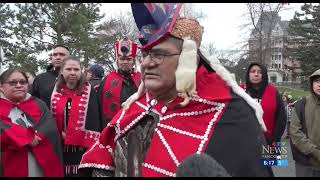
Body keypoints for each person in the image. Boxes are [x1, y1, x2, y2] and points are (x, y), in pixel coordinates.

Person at [78, 3, 273, 177]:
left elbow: (267, 156)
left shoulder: (235, 111)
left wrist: (288, 155)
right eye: (145, 55)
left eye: (159, 54)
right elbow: (104, 154)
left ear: (188, 59)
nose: (147, 63)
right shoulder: (137, 106)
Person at [0, 68, 63, 177]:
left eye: (23, 82)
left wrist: (37, 136)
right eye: (13, 82)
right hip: (8, 162)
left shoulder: (39, 104)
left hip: (38, 164)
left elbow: (50, 127)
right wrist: (26, 138)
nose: (19, 85)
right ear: (1, 86)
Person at [49, 56, 103, 176]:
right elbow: (49, 119)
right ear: (62, 71)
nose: (72, 72)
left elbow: (95, 118)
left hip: (83, 146)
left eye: (76, 69)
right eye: (68, 69)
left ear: (81, 72)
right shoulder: (53, 92)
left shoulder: (90, 92)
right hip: (60, 145)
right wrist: (59, 132)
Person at [96, 37, 141, 126]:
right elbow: (99, 108)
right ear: (117, 61)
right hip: (113, 127)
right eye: (122, 59)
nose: (125, 62)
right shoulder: (106, 81)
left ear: (133, 61)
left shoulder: (142, 79)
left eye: (128, 59)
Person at [242, 62, 287, 145]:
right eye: (253, 71)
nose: (256, 74)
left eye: (260, 72)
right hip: (244, 141)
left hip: (269, 140)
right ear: (248, 74)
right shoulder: (240, 91)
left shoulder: (273, 92)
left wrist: (274, 138)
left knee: (269, 157)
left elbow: (281, 118)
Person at [289, 69, 320, 177]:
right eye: (317, 81)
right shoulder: (302, 104)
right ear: (312, 83)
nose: (319, 85)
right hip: (306, 163)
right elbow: (295, 132)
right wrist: (315, 152)